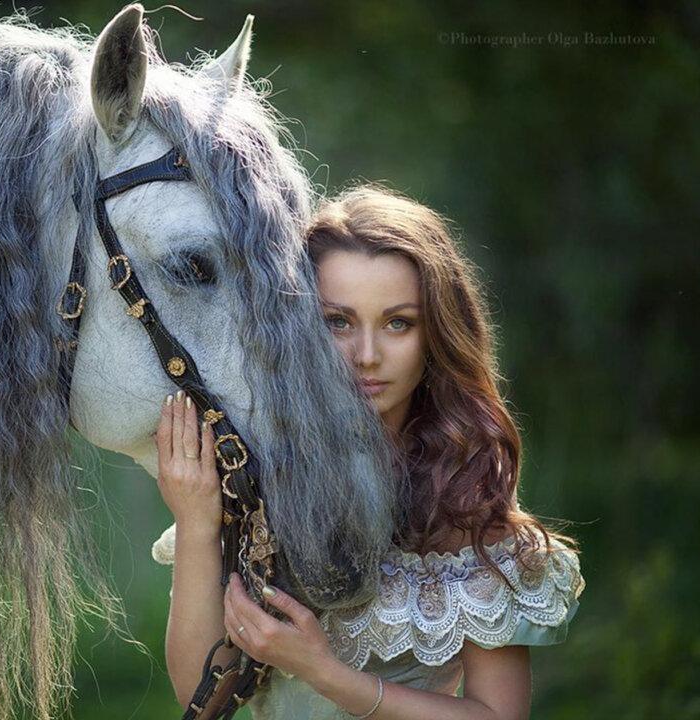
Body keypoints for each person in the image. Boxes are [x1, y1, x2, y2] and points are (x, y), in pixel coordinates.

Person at [151, 185, 585, 719]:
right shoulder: (253, 473)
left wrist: (325, 673)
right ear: (299, 327)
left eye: (398, 323)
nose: (367, 356)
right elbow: (202, 696)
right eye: (339, 322)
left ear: (436, 337)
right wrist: (197, 523)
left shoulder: (461, 495)